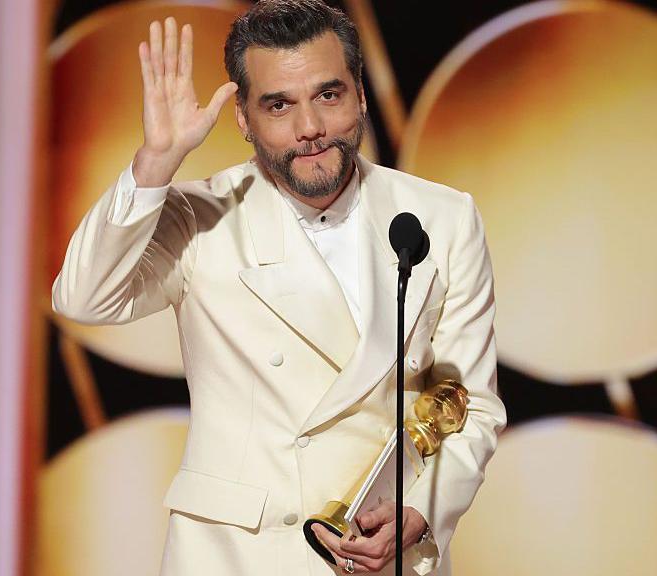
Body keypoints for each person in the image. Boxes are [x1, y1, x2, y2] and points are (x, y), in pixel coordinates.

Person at [51, 1, 506, 574]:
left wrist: (420, 511)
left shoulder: (442, 217)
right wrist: (155, 163)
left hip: (384, 554)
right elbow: (83, 297)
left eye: (329, 95)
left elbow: (473, 403)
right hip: (235, 556)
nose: (309, 128)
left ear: (361, 95)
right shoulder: (199, 216)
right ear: (243, 119)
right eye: (279, 105)